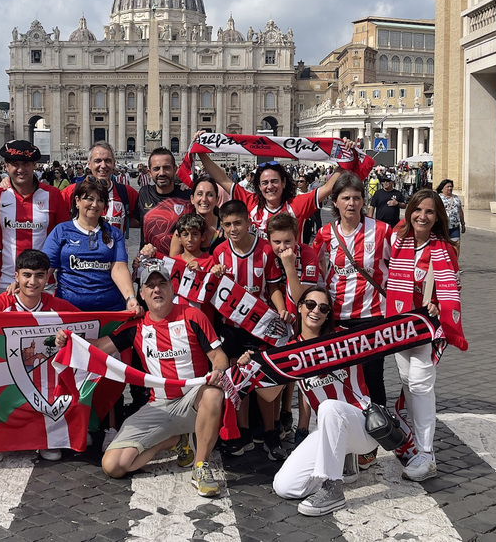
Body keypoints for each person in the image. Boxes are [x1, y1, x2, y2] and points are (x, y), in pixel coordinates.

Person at [54, 261, 229, 498]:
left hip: (193, 401)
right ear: (142, 294)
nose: (157, 290)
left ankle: (201, 467)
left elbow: (219, 356)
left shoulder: (192, 315)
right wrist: (68, 340)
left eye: (162, 284)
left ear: (171, 288)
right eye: (150, 286)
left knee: (213, 392)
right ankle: (176, 439)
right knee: (113, 466)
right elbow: (96, 349)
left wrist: (218, 371)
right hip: (157, 406)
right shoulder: (135, 326)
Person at [270, 286, 378, 516]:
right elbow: (269, 395)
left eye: (323, 308)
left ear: (328, 314)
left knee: (329, 407)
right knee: (284, 486)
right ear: (299, 307)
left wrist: (422, 313)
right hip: (329, 433)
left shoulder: (343, 337)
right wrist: (249, 367)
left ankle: (333, 490)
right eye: (310, 304)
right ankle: (341, 462)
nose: (315, 311)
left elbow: (386, 332)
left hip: (362, 425)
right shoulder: (290, 351)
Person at [0, 249, 79, 464]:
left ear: (47, 277)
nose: (32, 281)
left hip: (40, 378)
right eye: (27, 275)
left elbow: (90, 324)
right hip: (4, 375)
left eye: (39, 275)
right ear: (16, 276)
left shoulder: (59, 308)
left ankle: (46, 438)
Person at [311, 172, 391, 470]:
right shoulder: (324, 234)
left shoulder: (381, 231)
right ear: (336, 202)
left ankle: (376, 437)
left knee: (373, 377)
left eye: (357, 197)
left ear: (363, 201)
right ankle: (343, 432)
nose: (352, 202)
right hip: (337, 318)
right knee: (341, 379)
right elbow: (317, 272)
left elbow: (399, 268)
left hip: (372, 317)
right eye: (346, 197)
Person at [387, 189, 467, 482]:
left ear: (438, 217)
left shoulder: (444, 249)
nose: (422, 216)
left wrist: (440, 302)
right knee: (408, 382)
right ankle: (413, 443)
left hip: (427, 328)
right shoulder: (396, 242)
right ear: (409, 212)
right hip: (398, 326)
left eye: (430, 212)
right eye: (418, 210)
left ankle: (427, 455)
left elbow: (454, 287)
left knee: (421, 384)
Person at [211, 200, 286, 460]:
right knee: (236, 378)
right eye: (228, 224)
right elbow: (210, 289)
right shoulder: (219, 252)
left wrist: (282, 309)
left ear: (249, 222)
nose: (233, 228)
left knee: (263, 376)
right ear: (222, 225)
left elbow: (274, 286)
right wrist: (213, 274)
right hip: (231, 327)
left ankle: (270, 431)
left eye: (238, 223)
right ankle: (241, 432)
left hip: (260, 325)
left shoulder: (265, 250)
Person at [197, 138, 347, 240]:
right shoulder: (251, 201)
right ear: (259, 186)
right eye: (265, 183)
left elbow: (328, 187)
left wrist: (346, 156)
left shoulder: (297, 204)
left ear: (283, 183)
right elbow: (222, 179)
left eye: (274, 181)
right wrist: (201, 151)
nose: (270, 187)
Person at [42, 178, 140, 314]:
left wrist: (130, 298)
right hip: (69, 310)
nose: (94, 205)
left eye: (100, 200)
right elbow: (45, 269)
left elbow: (119, 268)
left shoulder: (114, 233)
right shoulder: (61, 231)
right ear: (77, 200)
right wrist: (24, 286)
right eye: (89, 199)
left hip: (109, 310)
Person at [266, 213, 320, 436]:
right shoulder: (269, 255)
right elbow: (273, 287)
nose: (282, 246)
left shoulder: (308, 256)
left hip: (307, 321)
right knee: (281, 369)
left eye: (287, 241)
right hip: (281, 319)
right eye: (276, 242)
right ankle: (280, 416)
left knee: (306, 373)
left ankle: (303, 426)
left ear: (297, 239)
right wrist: (281, 309)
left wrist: (289, 266)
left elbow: (304, 301)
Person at [0, 140, 69, 292]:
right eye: (15, 164)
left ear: (34, 164)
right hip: (4, 281)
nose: (21, 169)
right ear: (6, 166)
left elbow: (64, 236)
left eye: (26, 164)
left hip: (42, 282)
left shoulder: (52, 195)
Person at [61, 142, 138, 246]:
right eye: (97, 161)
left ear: (114, 164)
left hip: (115, 258)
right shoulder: (71, 192)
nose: (103, 166)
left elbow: (142, 220)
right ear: (89, 164)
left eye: (108, 161)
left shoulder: (127, 193)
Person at [135, 147, 192, 255]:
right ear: (149, 172)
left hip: (179, 264)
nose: (161, 173)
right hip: (149, 263)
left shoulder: (187, 196)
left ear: (175, 170)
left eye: (166, 168)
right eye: (156, 169)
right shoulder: (144, 193)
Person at [436, 179, 465, 255]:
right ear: (442, 188)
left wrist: (463, 223)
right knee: (442, 245)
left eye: (451, 186)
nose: (450, 188)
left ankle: (455, 262)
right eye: (448, 186)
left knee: (456, 245)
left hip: (454, 226)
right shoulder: (438, 198)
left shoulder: (456, 198)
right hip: (442, 226)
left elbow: (460, 210)